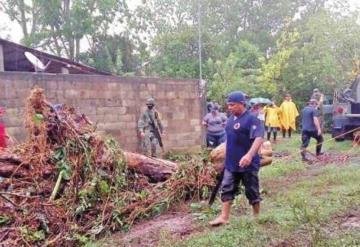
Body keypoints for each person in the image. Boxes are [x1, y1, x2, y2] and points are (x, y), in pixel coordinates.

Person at [209, 91, 264, 226]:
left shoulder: (252, 119)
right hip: (231, 163)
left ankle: (256, 217)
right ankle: (224, 217)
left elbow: (259, 138)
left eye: (232, 105)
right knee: (227, 188)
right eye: (229, 105)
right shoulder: (229, 120)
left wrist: (249, 155)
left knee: (252, 190)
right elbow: (229, 140)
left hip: (247, 164)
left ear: (241, 104)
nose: (230, 107)